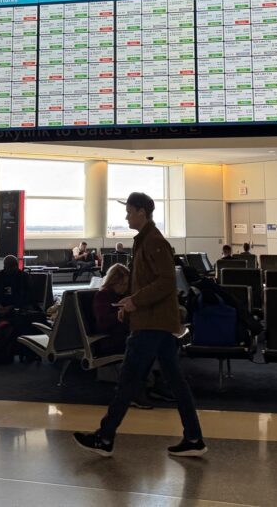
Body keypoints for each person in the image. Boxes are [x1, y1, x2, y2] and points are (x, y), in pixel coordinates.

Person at [74, 191, 206, 458]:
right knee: (174, 381)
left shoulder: (154, 242)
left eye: (130, 211)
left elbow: (165, 281)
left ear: (142, 213)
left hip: (151, 324)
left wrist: (136, 303)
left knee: (128, 381)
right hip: (155, 322)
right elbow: (146, 282)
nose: (126, 216)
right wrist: (129, 304)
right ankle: (193, 438)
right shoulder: (145, 241)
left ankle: (105, 437)